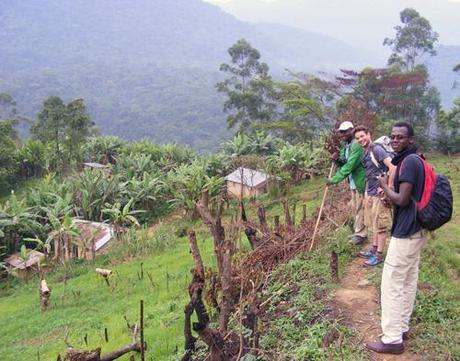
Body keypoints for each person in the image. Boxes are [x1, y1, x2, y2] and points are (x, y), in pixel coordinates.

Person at [366, 122, 427, 355]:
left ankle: (392, 340)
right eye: (392, 137)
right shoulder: (414, 160)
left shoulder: (409, 162)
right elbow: (405, 197)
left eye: (400, 137)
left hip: (407, 231)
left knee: (392, 283)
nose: (394, 140)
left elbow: (401, 199)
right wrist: (388, 193)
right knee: (408, 278)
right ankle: (401, 327)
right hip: (417, 228)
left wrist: (382, 184)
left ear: (410, 139)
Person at [354, 126, 395, 266]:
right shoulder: (366, 153)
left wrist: (388, 188)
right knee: (374, 224)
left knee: (381, 226)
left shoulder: (376, 149)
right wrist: (366, 192)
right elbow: (369, 174)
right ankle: (373, 249)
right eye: (358, 138)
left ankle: (379, 256)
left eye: (362, 136)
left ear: (368, 134)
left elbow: (392, 167)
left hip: (379, 195)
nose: (360, 139)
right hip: (370, 193)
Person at [328, 121, 367, 245]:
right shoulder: (346, 145)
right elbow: (345, 162)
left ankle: (361, 234)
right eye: (341, 132)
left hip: (360, 181)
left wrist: (333, 180)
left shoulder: (356, 145)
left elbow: (350, 166)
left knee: (360, 208)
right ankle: (358, 231)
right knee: (356, 207)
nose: (343, 134)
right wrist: (337, 160)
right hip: (352, 182)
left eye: (345, 131)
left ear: (352, 130)